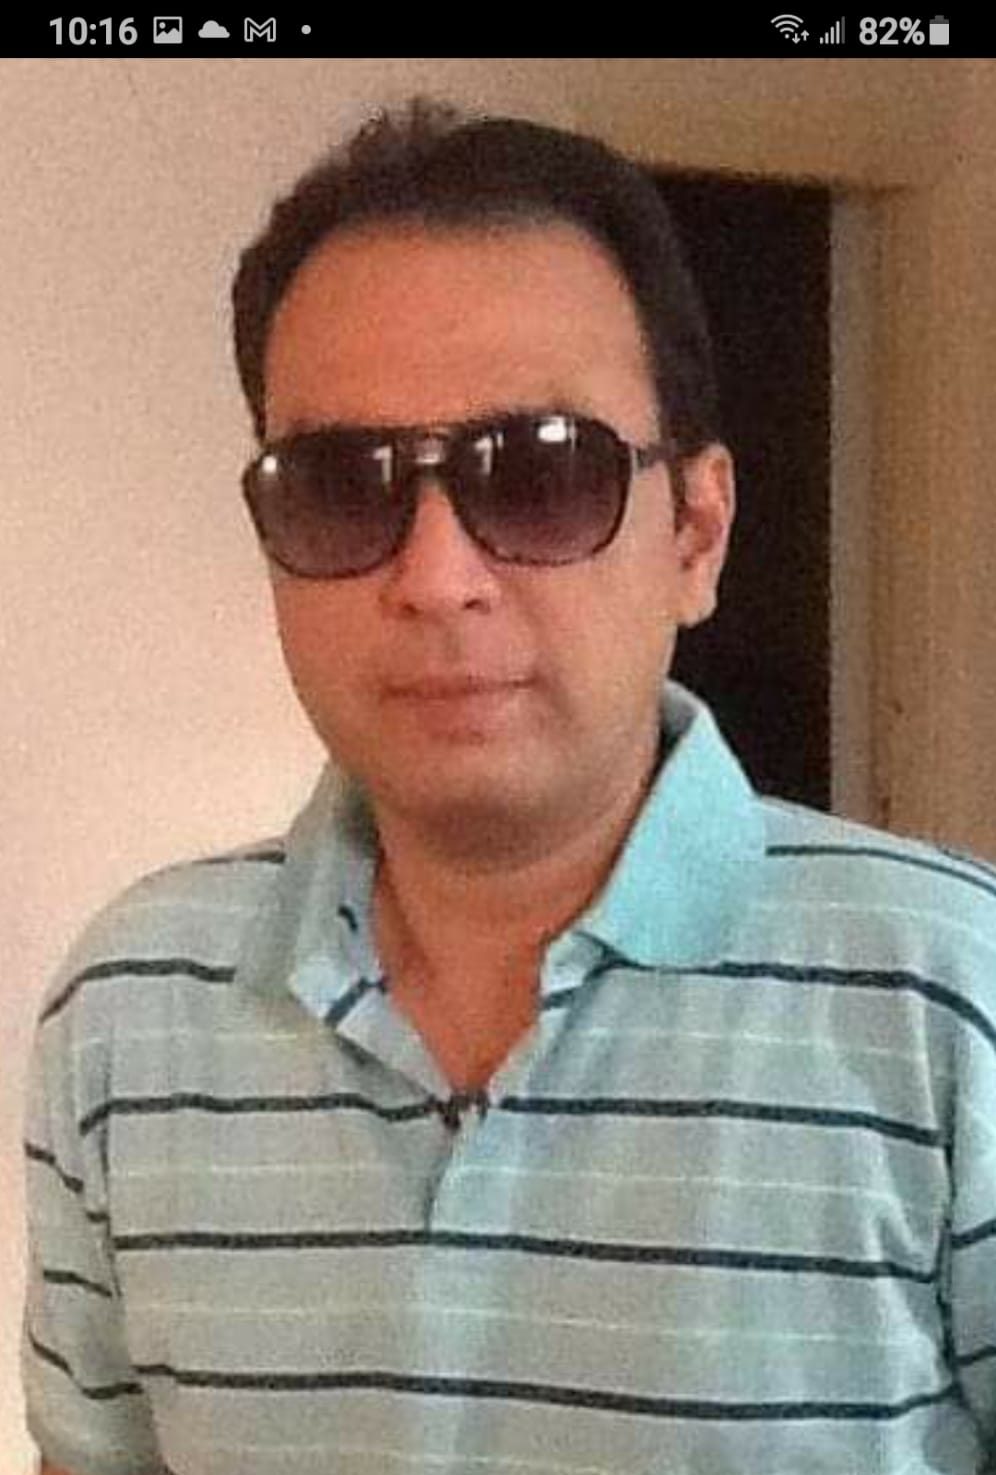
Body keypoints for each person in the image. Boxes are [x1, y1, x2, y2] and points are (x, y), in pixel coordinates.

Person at [21, 98, 996, 1475]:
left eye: (541, 474)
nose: (436, 577)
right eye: (341, 485)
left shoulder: (956, 1000)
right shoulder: (131, 1010)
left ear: (696, 532)